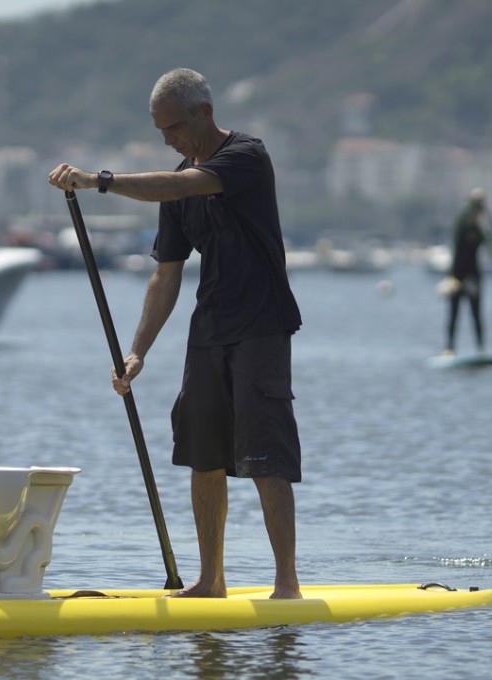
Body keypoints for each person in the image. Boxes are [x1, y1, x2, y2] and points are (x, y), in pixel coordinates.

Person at [48, 68, 304, 600]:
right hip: (208, 329)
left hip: (261, 326)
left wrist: (101, 181)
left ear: (204, 113)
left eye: (173, 128)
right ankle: (210, 582)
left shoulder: (246, 158)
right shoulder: (175, 184)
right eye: (159, 130)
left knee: (264, 455)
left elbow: (186, 183)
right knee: (202, 455)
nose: (166, 139)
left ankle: (287, 585)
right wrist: (137, 352)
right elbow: (166, 275)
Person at [443, 188, 489, 355]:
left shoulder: (479, 231)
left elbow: (489, 242)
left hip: (474, 277)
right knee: (454, 313)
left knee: (476, 314)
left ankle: (480, 349)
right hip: (457, 276)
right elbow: (460, 221)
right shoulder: (461, 226)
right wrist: (473, 202)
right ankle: (449, 347)